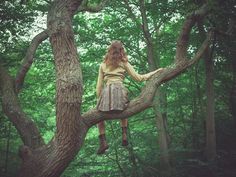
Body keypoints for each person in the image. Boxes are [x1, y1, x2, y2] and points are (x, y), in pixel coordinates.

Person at [96, 40, 164, 154]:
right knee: (124, 107)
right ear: (122, 51)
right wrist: (156, 71)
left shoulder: (102, 65)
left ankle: (103, 141)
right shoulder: (124, 63)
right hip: (120, 91)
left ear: (109, 51)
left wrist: (99, 100)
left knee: (99, 116)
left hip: (107, 91)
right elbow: (139, 78)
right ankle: (124, 135)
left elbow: (98, 87)